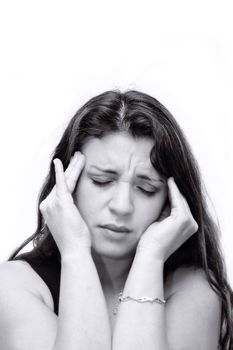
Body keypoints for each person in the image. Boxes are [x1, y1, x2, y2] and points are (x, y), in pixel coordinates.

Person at [0, 90, 232, 350]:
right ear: (67, 184)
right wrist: (75, 252)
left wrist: (150, 258)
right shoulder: (15, 287)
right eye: (102, 181)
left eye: (146, 188)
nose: (122, 206)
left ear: (169, 203)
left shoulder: (194, 291)